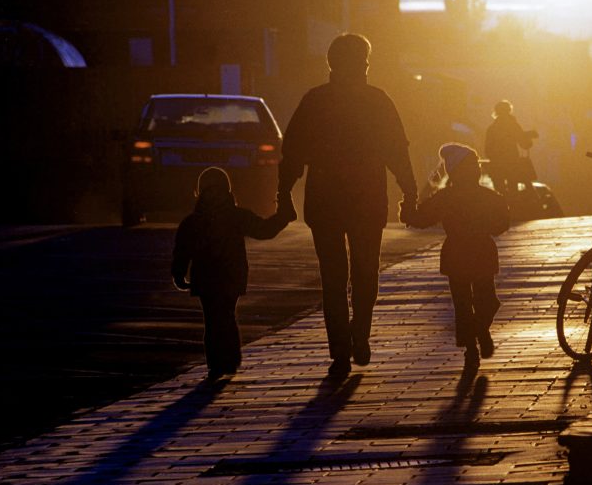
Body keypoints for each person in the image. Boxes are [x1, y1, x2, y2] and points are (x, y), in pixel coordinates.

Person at [277, 33, 418, 379]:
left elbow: (292, 150)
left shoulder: (315, 101)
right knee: (366, 271)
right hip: (367, 200)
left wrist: (284, 194)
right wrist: (409, 190)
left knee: (333, 278)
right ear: (357, 64)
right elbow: (397, 149)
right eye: (364, 61)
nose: (367, 67)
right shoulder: (377, 101)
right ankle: (360, 334)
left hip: (324, 201)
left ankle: (340, 350)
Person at [171, 166, 294, 382]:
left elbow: (182, 250)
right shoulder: (236, 216)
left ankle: (218, 363)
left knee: (213, 319)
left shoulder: (193, 222)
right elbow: (264, 230)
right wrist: (283, 217)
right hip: (231, 276)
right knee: (225, 315)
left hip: (207, 278)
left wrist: (179, 274)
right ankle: (228, 359)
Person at [400, 142, 510, 369]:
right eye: (474, 165)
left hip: (456, 254)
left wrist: (408, 211)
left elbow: (422, 219)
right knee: (486, 300)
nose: (478, 169)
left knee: (463, 304)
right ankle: (477, 337)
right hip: (481, 253)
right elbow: (501, 224)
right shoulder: (485, 196)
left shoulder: (446, 196)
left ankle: (472, 341)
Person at [484, 99, 537, 197]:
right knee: (513, 192)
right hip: (512, 164)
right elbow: (524, 144)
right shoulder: (512, 125)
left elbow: (488, 150)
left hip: (497, 167)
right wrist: (529, 137)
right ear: (509, 110)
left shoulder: (491, 128)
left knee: (499, 194)